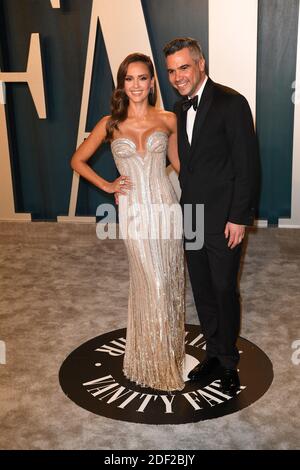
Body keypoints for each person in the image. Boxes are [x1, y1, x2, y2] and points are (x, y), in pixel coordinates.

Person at [70, 53, 185, 392]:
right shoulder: (110, 123)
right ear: (122, 84)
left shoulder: (168, 120)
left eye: (143, 78)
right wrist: (108, 185)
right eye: (129, 79)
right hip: (134, 212)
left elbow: (179, 165)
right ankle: (150, 363)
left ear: (152, 83)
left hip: (166, 208)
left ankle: (164, 358)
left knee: (167, 283)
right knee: (152, 283)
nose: (136, 85)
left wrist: (212, 197)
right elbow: (77, 160)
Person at [163, 37, 258, 394]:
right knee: (202, 289)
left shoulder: (232, 103)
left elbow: (246, 166)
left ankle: (229, 361)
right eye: (172, 71)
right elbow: (187, 166)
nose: (178, 76)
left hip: (224, 219)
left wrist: (238, 217)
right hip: (193, 216)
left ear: (201, 64)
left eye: (184, 67)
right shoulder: (178, 107)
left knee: (223, 288)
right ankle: (214, 355)